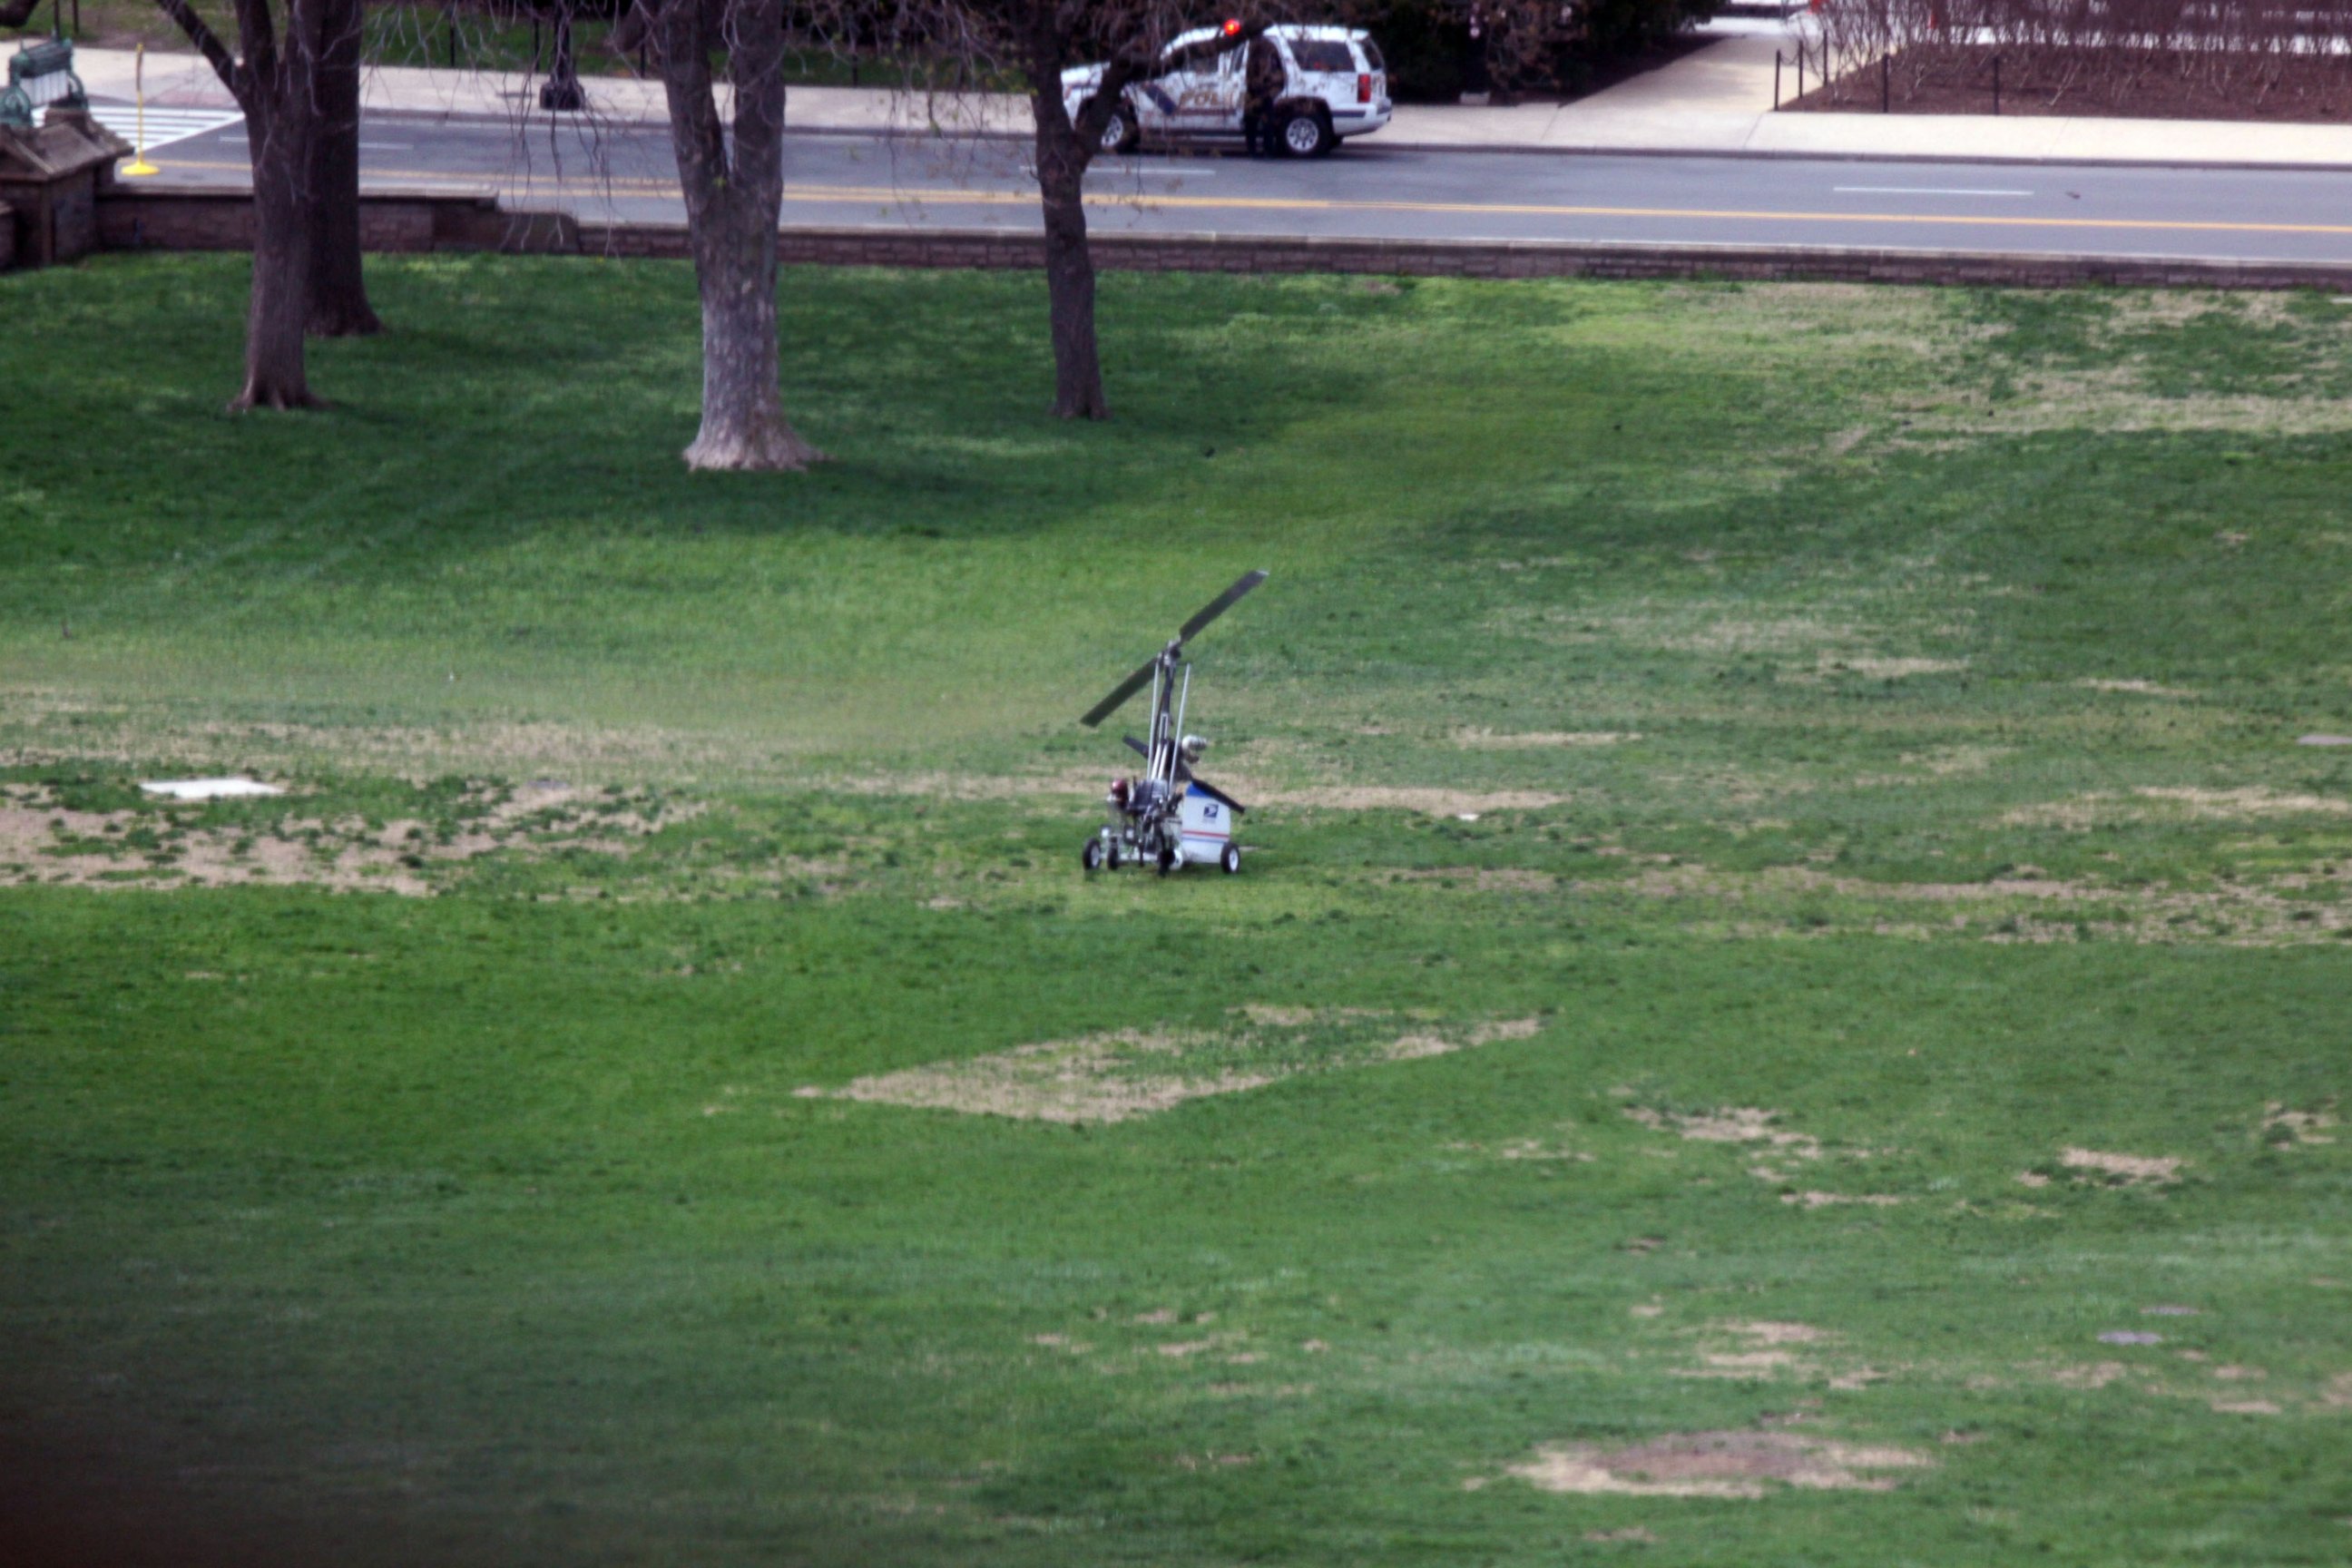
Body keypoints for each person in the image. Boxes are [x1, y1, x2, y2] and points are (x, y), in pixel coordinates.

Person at [1242, 36, 1283, 154]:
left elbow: (1278, 76)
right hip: (1252, 93)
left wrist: (1268, 84)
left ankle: (1267, 149)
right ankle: (1254, 150)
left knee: (1266, 124)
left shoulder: (1271, 58)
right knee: (1251, 123)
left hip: (1265, 94)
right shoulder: (1249, 57)